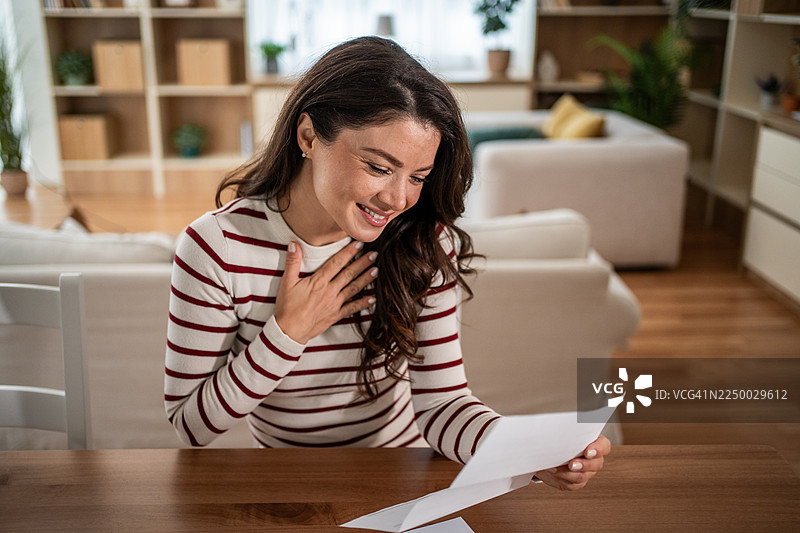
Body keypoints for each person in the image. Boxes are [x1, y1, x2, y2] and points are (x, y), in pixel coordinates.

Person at [164, 36, 609, 491]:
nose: (397, 200)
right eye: (378, 167)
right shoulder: (216, 246)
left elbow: (443, 406)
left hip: (401, 477)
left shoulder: (421, 240)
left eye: (417, 176)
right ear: (308, 136)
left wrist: (533, 450)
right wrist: (287, 333)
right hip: (287, 482)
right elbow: (191, 425)